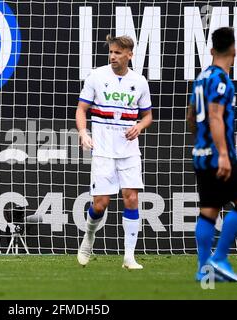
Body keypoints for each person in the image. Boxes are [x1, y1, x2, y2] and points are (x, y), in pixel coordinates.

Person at [76, 35, 153, 269]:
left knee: (131, 198)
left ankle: (129, 257)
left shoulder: (139, 82)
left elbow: (147, 115)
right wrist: (83, 132)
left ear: (129, 54)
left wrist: (139, 125)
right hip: (103, 151)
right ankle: (89, 236)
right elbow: (81, 109)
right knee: (100, 204)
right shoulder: (97, 77)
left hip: (129, 152)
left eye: (118, 53)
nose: (112, 57)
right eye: (111, 52)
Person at [187, 27, 237, 282]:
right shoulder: (220, 80)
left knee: (209, 210)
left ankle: (204, 270)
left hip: (201, 153)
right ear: (235, 50)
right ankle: (219, 258)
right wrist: (224, 154)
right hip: (219, 154)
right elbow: (215, 116)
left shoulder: (202, 77)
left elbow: (192, 116)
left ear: (212, 50)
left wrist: (202, 142)